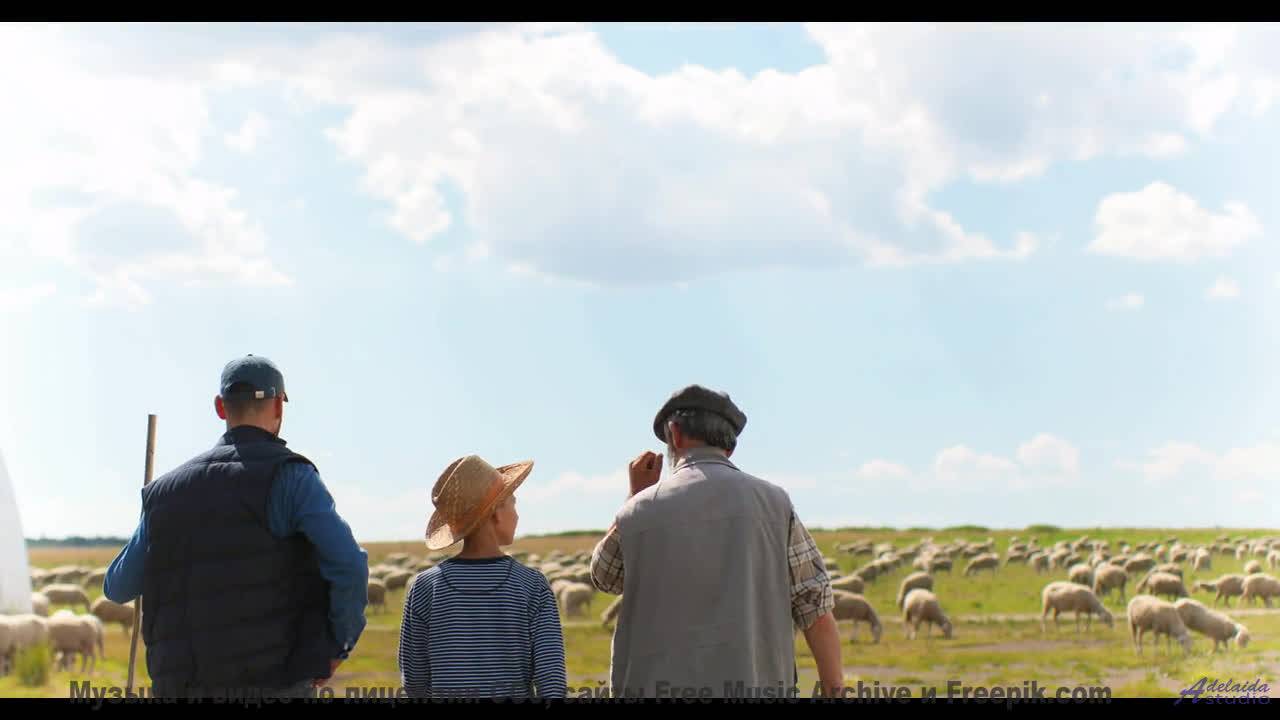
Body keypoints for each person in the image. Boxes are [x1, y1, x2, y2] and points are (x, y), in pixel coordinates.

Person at [104, 355, 369, 698]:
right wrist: (337, 647)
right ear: (279, 406)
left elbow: (117, 587)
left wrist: (158, 516)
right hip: (274, 685)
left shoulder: (163, 492)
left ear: (220, 407)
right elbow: (349, 565)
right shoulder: (292, 477)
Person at [590, 384, 844, 699]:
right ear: (730, 447)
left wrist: (634, 496)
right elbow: (815, 606)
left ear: (675, 434)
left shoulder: (639, 510)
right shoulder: (775, 504)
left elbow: (604, 577)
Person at [398, 454, 566, 700]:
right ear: (496, 513)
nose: (517, 515)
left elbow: (414, 678)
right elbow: (551, 677)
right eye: (513, 504)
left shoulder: (425, 587)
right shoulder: (531, 585)